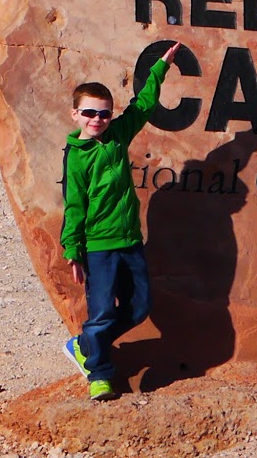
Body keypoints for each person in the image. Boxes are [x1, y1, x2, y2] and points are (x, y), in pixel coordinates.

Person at [61, 42, 178, 399]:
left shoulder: (116, 138)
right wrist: (73, 250)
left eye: (104, 114)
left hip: (129, 241)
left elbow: (142, 105)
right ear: (75, 114)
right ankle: (99, 373)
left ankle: (84, 345)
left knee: (140, 306)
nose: (97, 119)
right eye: (89, 113)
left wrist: (160, 67)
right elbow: (74, 205)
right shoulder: (76, 158)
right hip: (98, 248)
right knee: (100, 313)